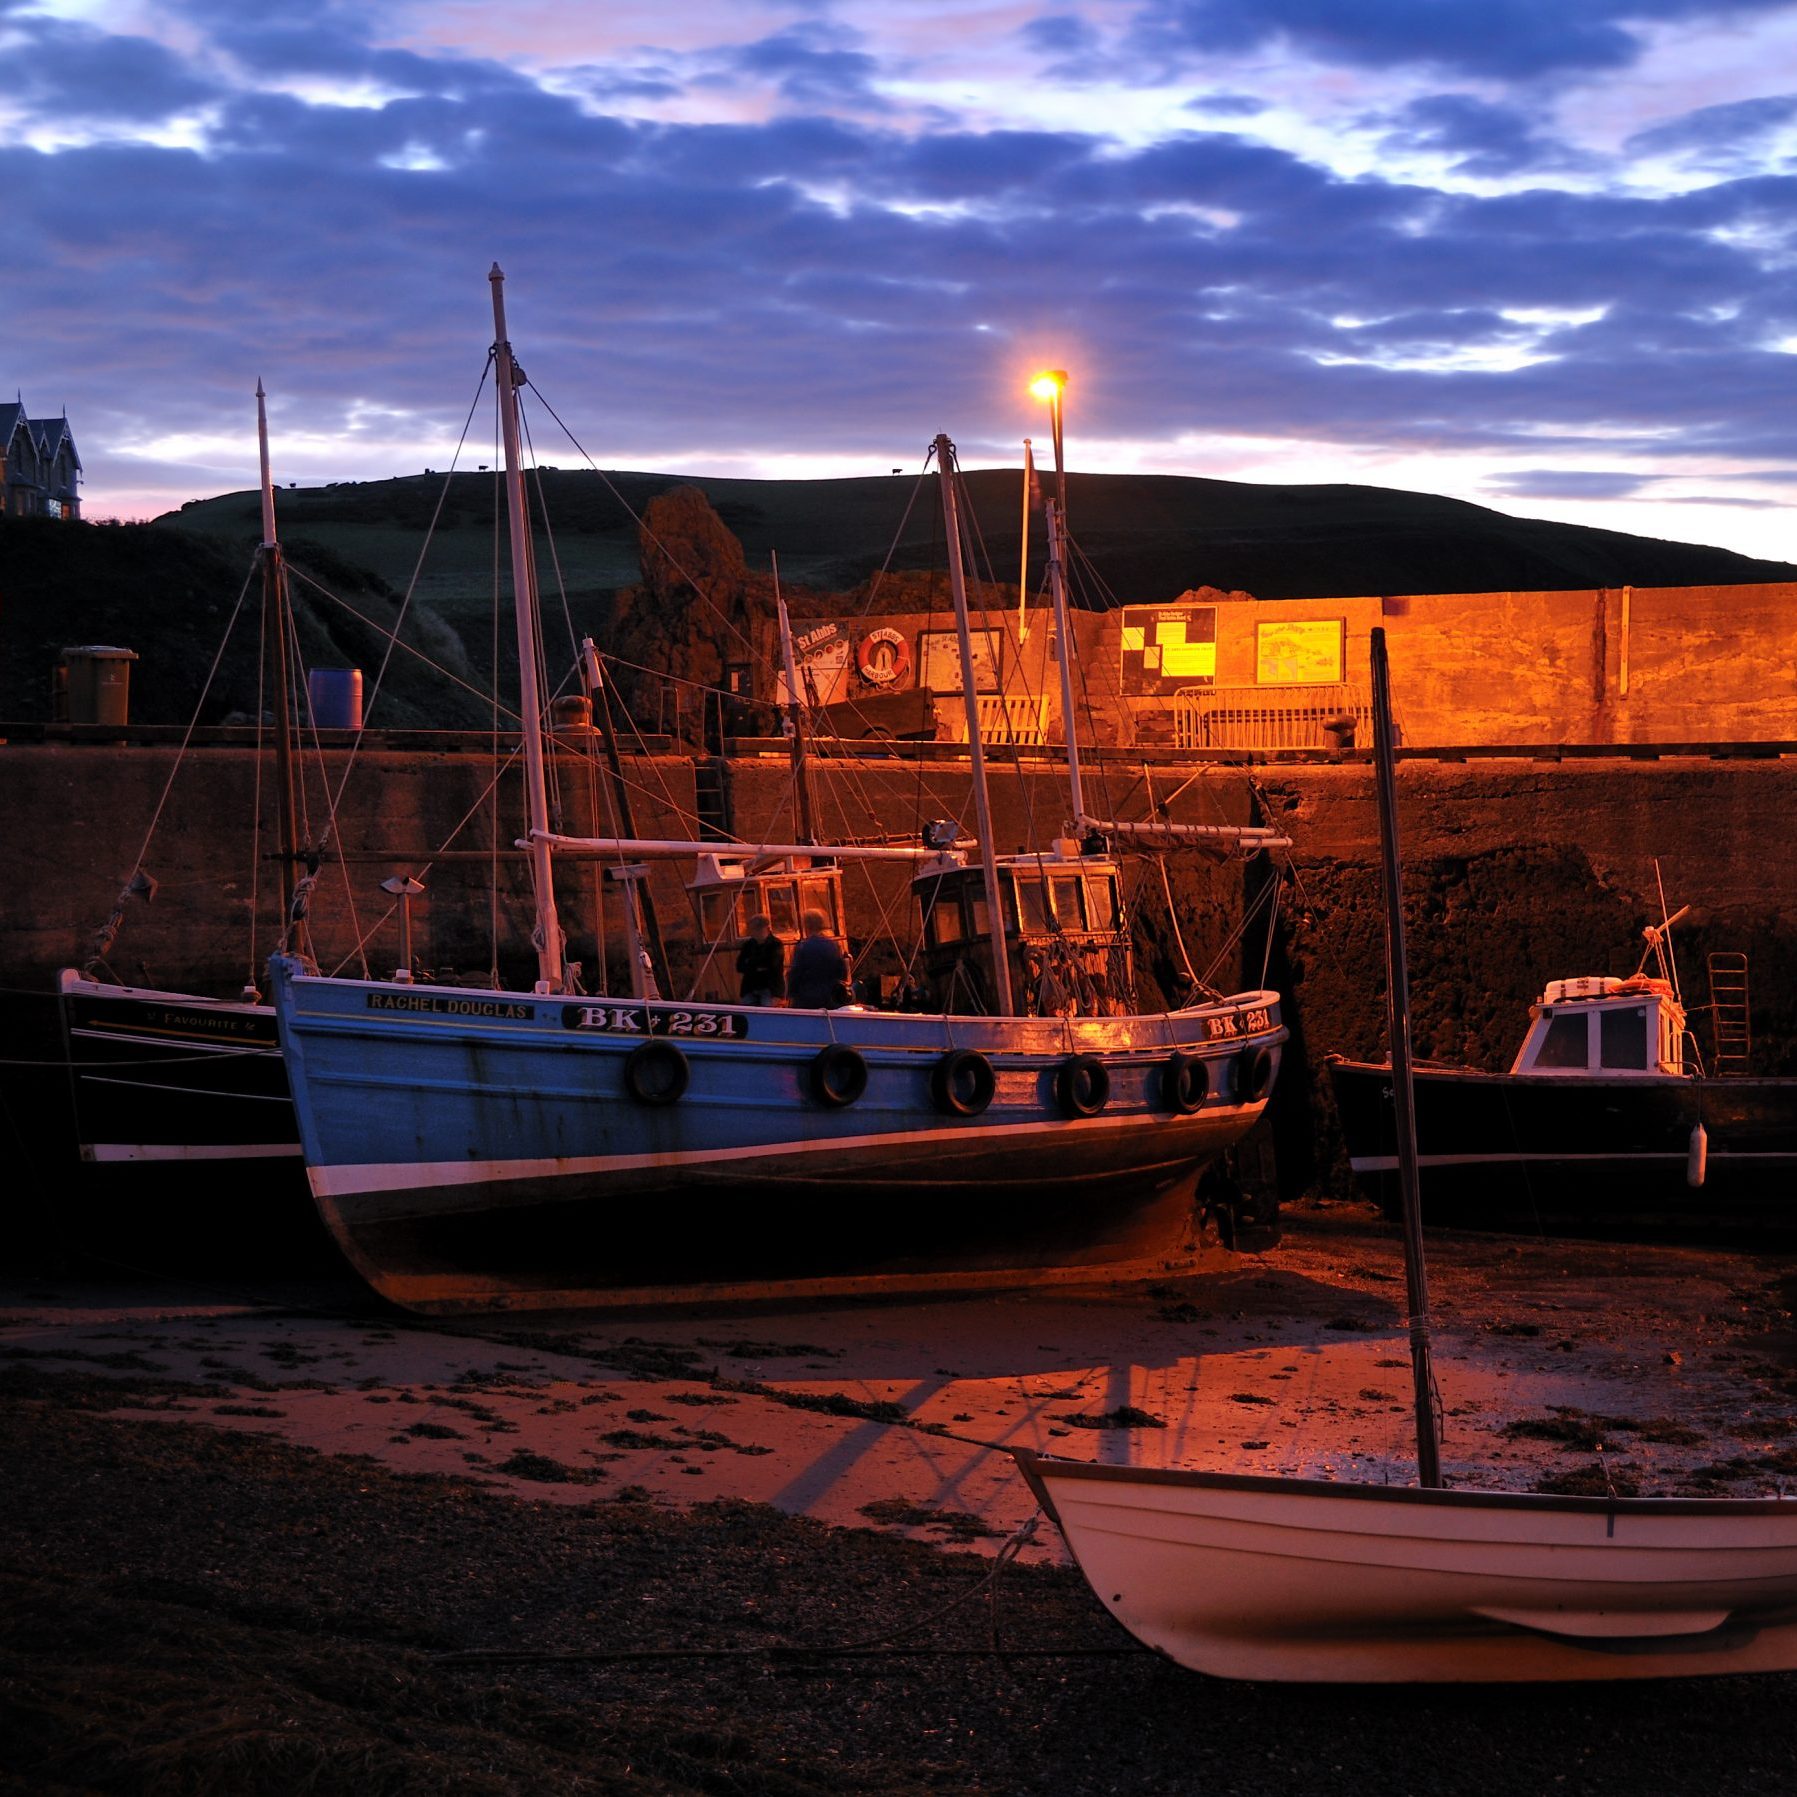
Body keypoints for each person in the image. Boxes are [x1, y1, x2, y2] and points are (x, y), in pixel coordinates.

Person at [786, 908, 851, 1009]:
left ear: (807, 926)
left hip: (806, 999)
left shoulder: (803, 947)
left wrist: (790, 994)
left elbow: (796, 974)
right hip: (830, 997)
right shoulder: (834, 946)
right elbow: (841, 972)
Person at [735, 914, 785, 1006]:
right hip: (750, 988)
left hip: (770, 988)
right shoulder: (748, 945)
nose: (754, 932)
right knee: (746, 1013)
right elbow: (739, 966)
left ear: (765, 928)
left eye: (757, 929)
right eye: (753, 929)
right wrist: (758, 966)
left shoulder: (775, 944)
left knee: (767, 1014)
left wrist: (750, 963)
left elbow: (772, 964)